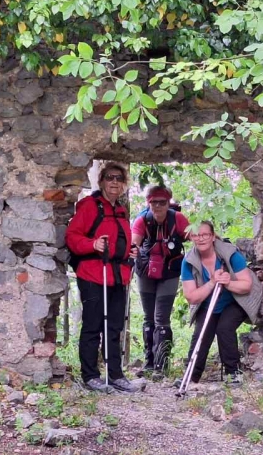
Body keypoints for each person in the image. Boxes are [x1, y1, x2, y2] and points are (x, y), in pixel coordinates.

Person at [65, 162, 140, 394]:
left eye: (119, 178)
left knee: (115, 326)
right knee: (93, 325)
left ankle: (115, 374)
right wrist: (92, 244)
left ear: (124, 183)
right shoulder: (89, 206)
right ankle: (90, 376)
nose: (114, 182)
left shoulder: (121, 211)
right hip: (93, 274)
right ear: (101, 181)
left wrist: (130, 251)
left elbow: (120, 242)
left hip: (117, 276)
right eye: (109, 178)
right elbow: (72, 236)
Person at [181, 221, 263, 385]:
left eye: (205, 234)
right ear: (191, 238)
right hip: (208, 303)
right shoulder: (189, 261)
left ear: (212, 236)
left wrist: (227, 283)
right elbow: (191, 297)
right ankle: (191, 377)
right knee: (201, 334)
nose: (201, 239)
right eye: (196, 235)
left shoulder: (230, 254)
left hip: (235, 300)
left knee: (224, 328)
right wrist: (212, 282)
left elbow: (246, 285)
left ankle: (233, 373)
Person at [131, 185, 190, 377]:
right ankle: (149, 362)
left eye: (162, 202)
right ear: (148, 203)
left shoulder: (178, 219)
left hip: (170, 272)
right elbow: (133, 244)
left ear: (168, 203)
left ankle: (162, 365)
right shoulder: (142, 221)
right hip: (145, 271)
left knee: (161, 318)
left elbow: (195, 237)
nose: (157, 206)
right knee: (148, 317)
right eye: (153, 202)